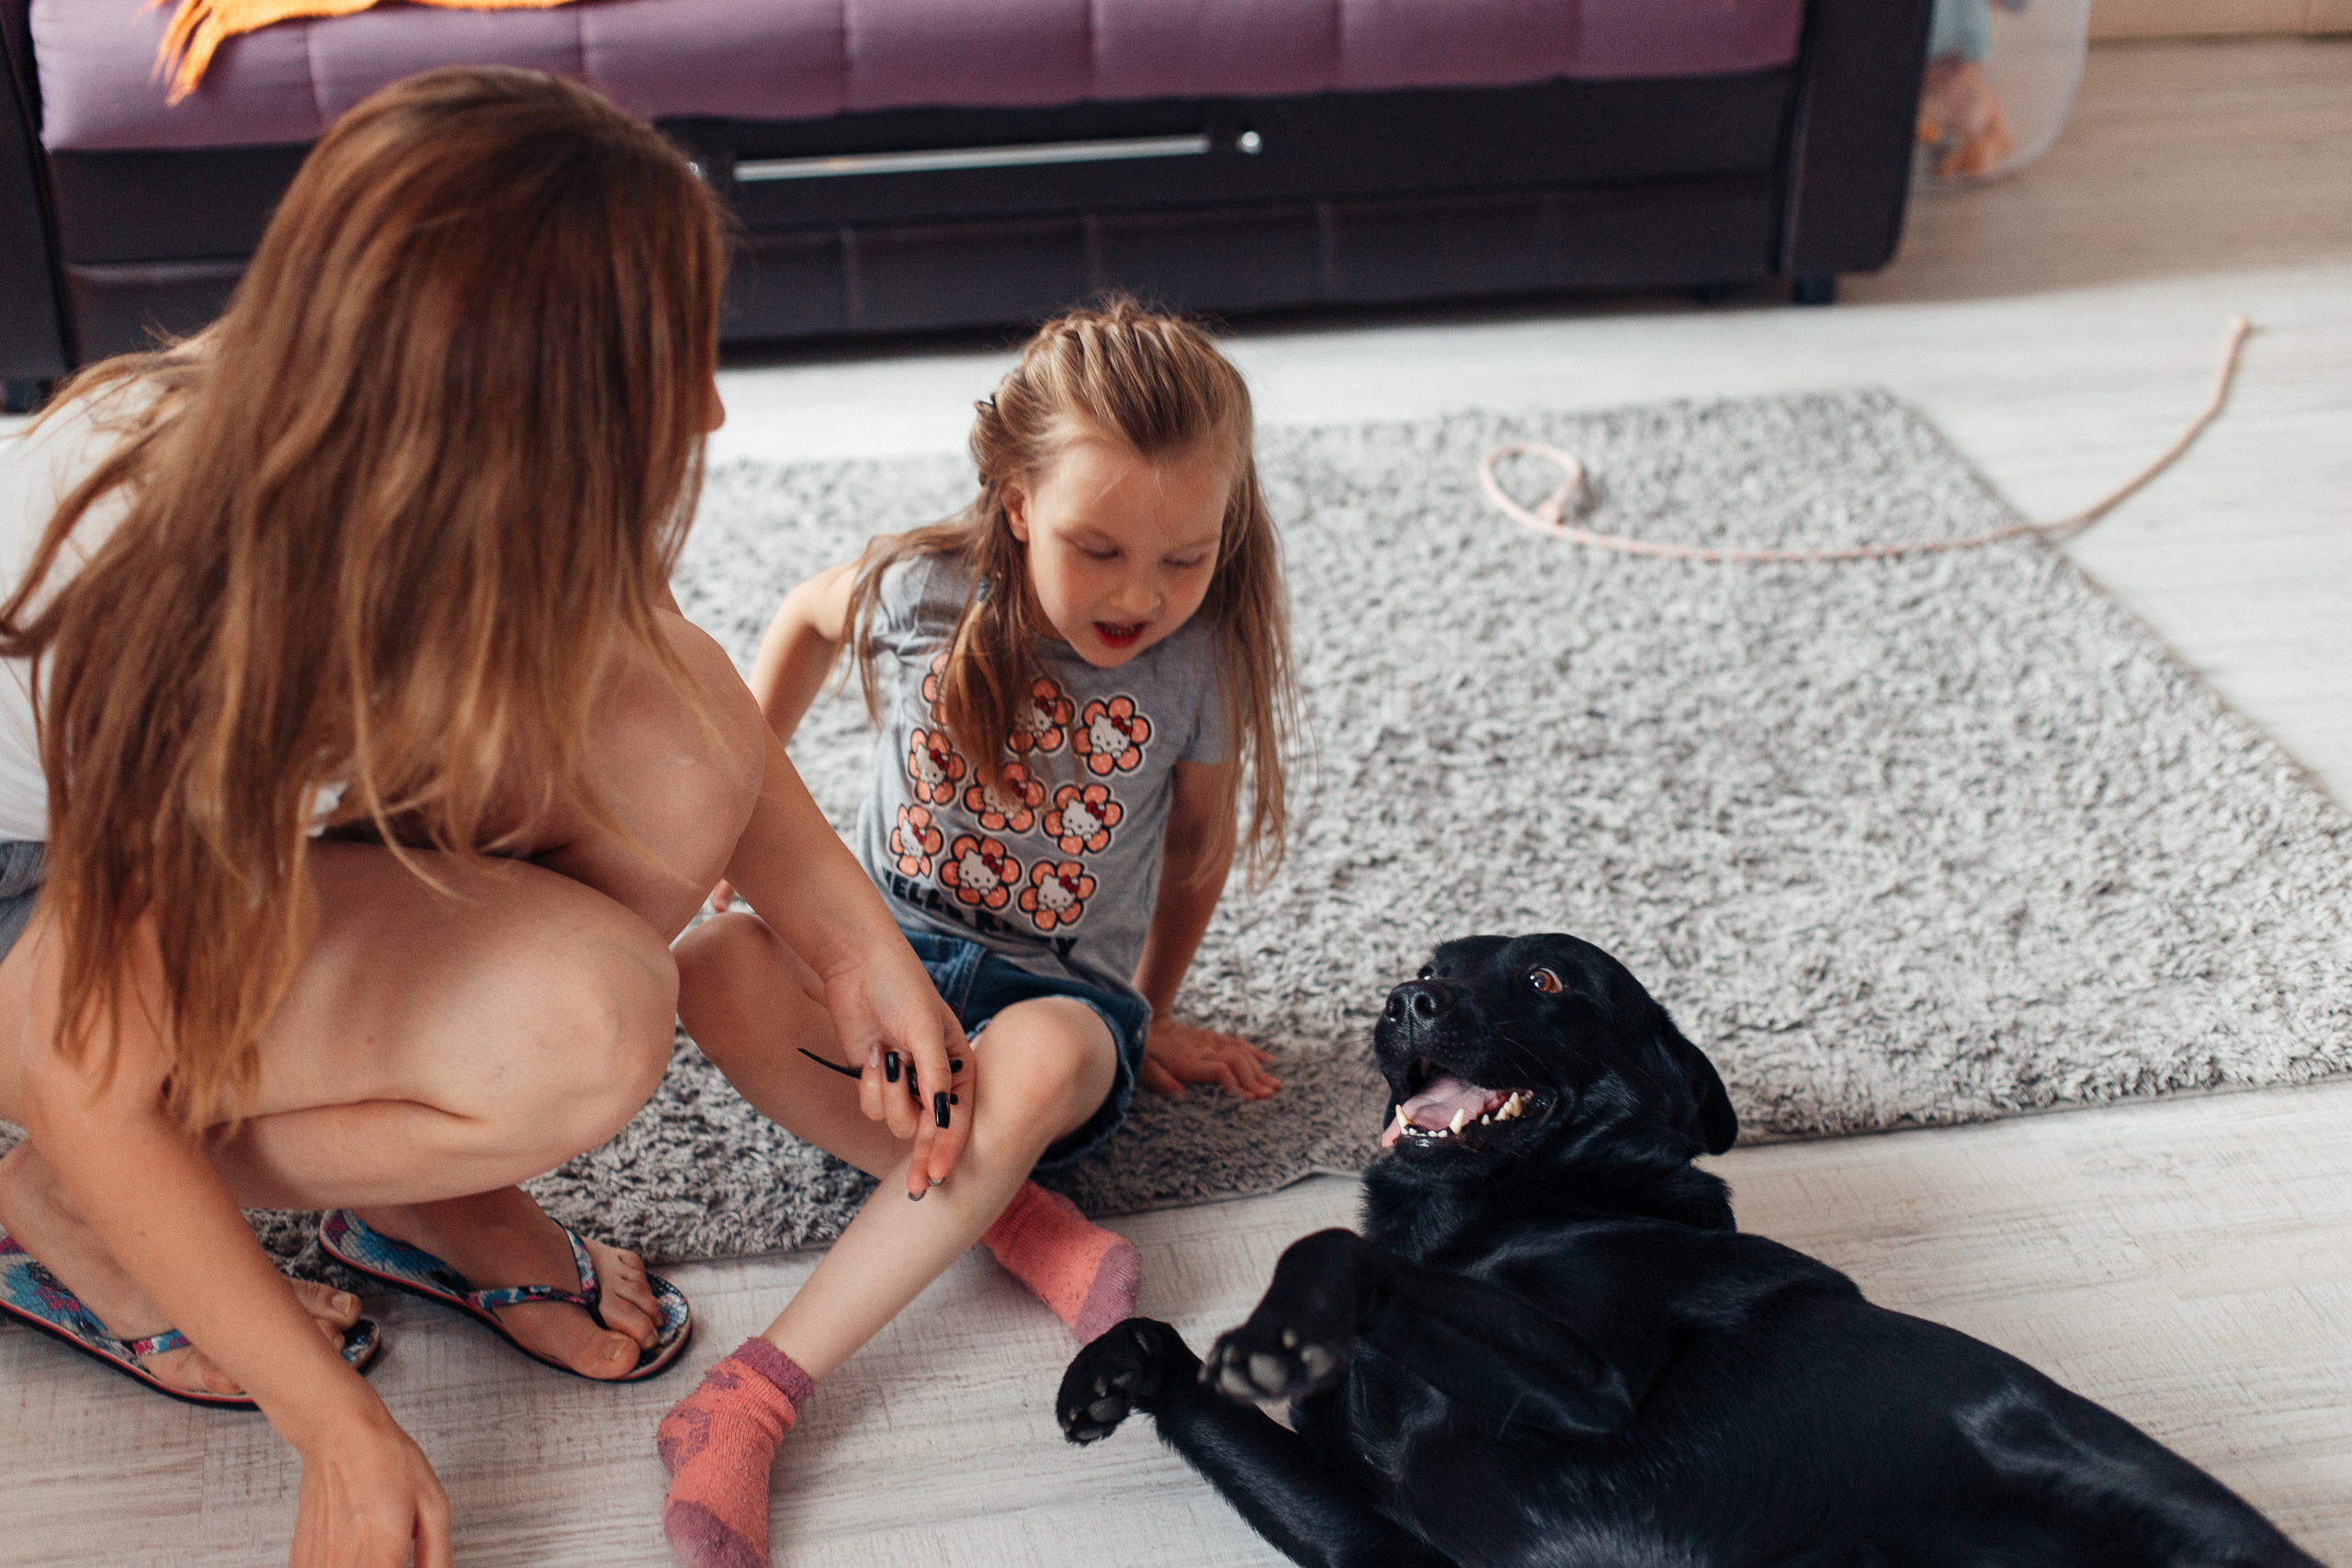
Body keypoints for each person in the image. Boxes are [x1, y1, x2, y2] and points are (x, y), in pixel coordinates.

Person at [0, 67, 967, 1568]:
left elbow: (674, 684)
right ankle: (59, 1211)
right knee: (578, 1022)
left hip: (207, 822)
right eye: (672, 372)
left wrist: (850, 944)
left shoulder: (426, 469)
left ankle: (426, 1197)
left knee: (665, 731)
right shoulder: (194, 605)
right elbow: (81, 1056)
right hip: (30, 899)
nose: (709, 404)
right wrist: (336, 1430)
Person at [656, 301, 1303, 1568]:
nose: (1141, 595)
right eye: (1098, 548)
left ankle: (752, 1394)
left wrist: (1152, 1012)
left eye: (1186, 558)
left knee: (1049, 1065)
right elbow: (796, 621)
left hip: (1055, 1001)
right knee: (705, 967)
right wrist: (748, 807)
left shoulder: (1200, 662)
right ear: (1015, 502)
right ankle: (1012, 1217)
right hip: (880, 966)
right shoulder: (926, 586)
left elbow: (1197, 850)